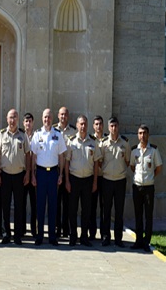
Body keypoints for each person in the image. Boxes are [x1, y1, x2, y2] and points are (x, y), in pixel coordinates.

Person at [0, 109, 31, 245]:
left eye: (15, 117)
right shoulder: (2, 135)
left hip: (19, 175)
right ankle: (6, 234)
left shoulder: (23, 135)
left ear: (18, 119)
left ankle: (17, 235)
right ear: (6, 118)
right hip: (5, 175)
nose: (12, 120)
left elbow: (28, 154)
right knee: (5, 205)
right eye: (10, 117)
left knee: (19, 206)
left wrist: (27, 173)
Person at [31, 108, 67, 246]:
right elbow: (33, 156)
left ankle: (52, 236)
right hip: (40, 173)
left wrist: (61, 174)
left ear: (53, 119)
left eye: (49, 117)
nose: (47, 120)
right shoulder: (37, 135)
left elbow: (61, 156)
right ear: (42, 118)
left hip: (53, 173)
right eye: (45, 117)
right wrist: (33, 175)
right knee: (40, 205)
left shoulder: (58, 135)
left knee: (53, 205)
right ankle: (39, 236)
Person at [64, 115, 101, 247]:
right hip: (74, 179)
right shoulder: (71, 141)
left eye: (85, 124)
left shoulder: (93, 142)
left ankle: (84, 237)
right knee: (72, 210)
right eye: (81, 124)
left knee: (86, 210)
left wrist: (95, 182)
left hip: (88, 180)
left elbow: (96, 163)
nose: (83, 126)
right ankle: (73, 236)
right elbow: (67, 162)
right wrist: (67, 181)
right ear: (77, 125)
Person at [130, 124, 162, 252]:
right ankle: (138, 240)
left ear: (148, 135)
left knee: (148, 215)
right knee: (138, 214)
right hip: (137, 187)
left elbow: (158, 168)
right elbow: (132, 167)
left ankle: (146, 241)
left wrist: (150, 177)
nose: (142, 136)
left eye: (144, 133)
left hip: (149, 188)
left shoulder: (154, 150)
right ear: (138, 135)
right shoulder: (134, 151)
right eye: (140, 133)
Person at [99, 116, 130, 247]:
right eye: (111, 126)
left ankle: (118, 238)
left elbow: (128, 161)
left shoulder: (125, 143)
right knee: (106, 211)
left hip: (120, 181)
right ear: (108, 127)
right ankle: (106, 237)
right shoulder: (103, 143)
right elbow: (100, 162)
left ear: (118, 126)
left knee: (119, 211)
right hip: (106, 181)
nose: (114, 128)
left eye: (115, 126)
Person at [53, 106, 76, 238]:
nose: (63, 117)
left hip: (69, 170)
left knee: (67, 201)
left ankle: (66, 228)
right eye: (61, 114)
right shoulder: (53, 130)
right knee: (56, 201)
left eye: (65, 115)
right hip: (55, 168)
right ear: (58, 116)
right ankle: (57, 228)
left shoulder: (73, 131)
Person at [89, 115, 107, 241]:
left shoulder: (108, 140)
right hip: (92, 177)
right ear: (93, 126)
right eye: (96, 124)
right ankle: (92, 233)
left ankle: (104, 234)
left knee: (104, 207)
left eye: (100, 124)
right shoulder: (90, 140)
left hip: (105, 177)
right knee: (92, 206)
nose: (98, 126)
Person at [22, 112, 37, 238]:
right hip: (23, 173)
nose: (28, 123)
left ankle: (34, 229)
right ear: (23, 123)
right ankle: (21, 229)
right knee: (21, 202)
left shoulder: (37, 136)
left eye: (30, 121)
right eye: (26, 121)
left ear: (33, 123)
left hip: (35, 173)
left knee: (34, 203)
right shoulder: (20, 136)